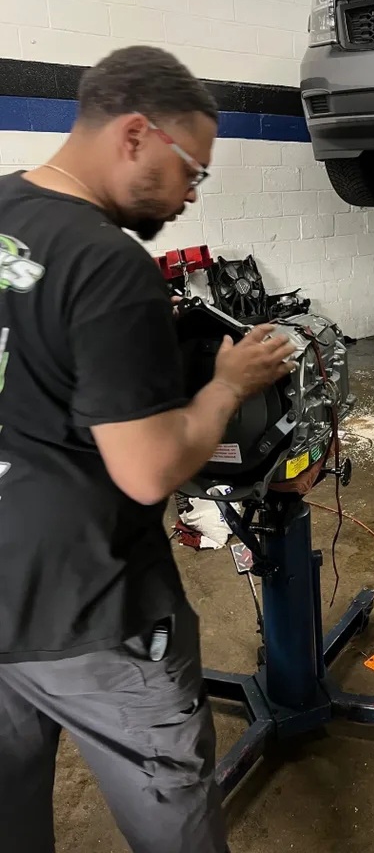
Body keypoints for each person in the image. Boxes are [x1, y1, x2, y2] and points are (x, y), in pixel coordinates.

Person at [0, 46, 296, 853]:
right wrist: (227, 385)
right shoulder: (107, 261)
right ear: (136, 135)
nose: (192, 193)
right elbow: (148, 470)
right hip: (95, 611)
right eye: (191, 169)